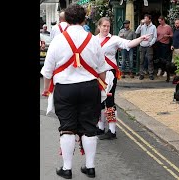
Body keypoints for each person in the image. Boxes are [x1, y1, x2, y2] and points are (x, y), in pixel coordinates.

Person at [40, 4, 106, 178]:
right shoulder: (93, 40)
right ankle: (90, 167)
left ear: (65, 20)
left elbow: (47, 71)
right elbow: (102, 69)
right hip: (89, 87)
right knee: (89, 126)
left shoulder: (58, 41)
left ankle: (67, 169)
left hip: (65, 89)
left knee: (67, 128)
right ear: (84, 19)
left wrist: (47, 89)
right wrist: (102, 87)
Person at [96, 17, 151, 140]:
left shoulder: (114, 39)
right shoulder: (93, 40)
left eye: (108, 26)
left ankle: (112, 130)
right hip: (97, 74)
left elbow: (128, 44)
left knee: (109, 101)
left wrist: (141, 38)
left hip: (110, 74)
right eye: (104, 26)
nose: (106, 28)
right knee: (98, 101)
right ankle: (100, 127)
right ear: (99, 26)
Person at [135, 14, 157, 80]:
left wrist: (151, 43)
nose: (145, 19)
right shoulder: (142, 26)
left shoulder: (153, 27)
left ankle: (151, 73)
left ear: (150, 19)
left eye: (146, 18)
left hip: (149, 46)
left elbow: (155, 37)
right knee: (141, 60)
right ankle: (141, 74)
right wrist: (140, 25)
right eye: (144, 18)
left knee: (150, 60)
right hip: (142, 45)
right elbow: (137, 32)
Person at [155, 15, 173, 81]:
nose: (159, 22)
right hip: (159, 43)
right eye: (159, 21)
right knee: (159, 57)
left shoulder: (168, 27)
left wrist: (167, 36)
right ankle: (160, 69)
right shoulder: (159, 27)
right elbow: (156, 34)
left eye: (160, 21)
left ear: (163, 20)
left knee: (164, 58)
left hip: (165, 44)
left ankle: (166, 71)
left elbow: (172, 35)